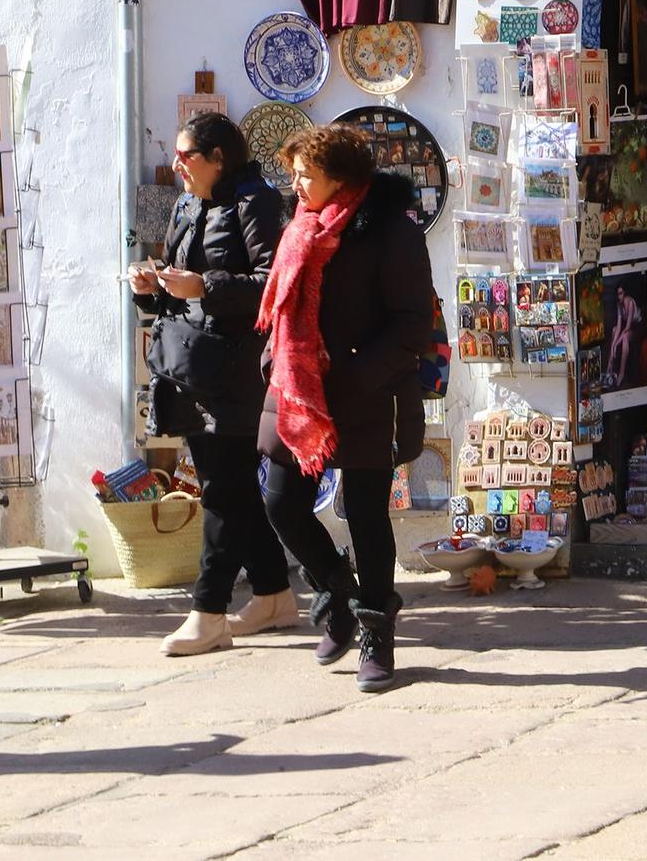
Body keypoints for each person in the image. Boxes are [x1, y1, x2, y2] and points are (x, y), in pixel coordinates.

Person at [256, 123, 434, 693]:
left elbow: (413, 325)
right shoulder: (301, 226)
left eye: (307, 174)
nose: (296, 184)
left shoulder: (391, 232)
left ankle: (376, 635)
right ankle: (338, 593)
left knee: (364, 514)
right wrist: (275, 360)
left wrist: (355, 377)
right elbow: (283, 306)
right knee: (280, 500)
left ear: (342, 178)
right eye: (295, 173)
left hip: (366, 392)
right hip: (298, 389)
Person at [129, 113, 293, 657]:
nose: (177, 163)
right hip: (187, 365)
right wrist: (151, 288)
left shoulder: (256, 203)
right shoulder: (185, 203)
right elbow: (180, 288)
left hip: (237, 369)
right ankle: (273, 595)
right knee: (233, 486)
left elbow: (273, 284)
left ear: (219, 157)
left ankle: (209, 610)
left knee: (223, 490)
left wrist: (206, 286)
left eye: (187, 155)